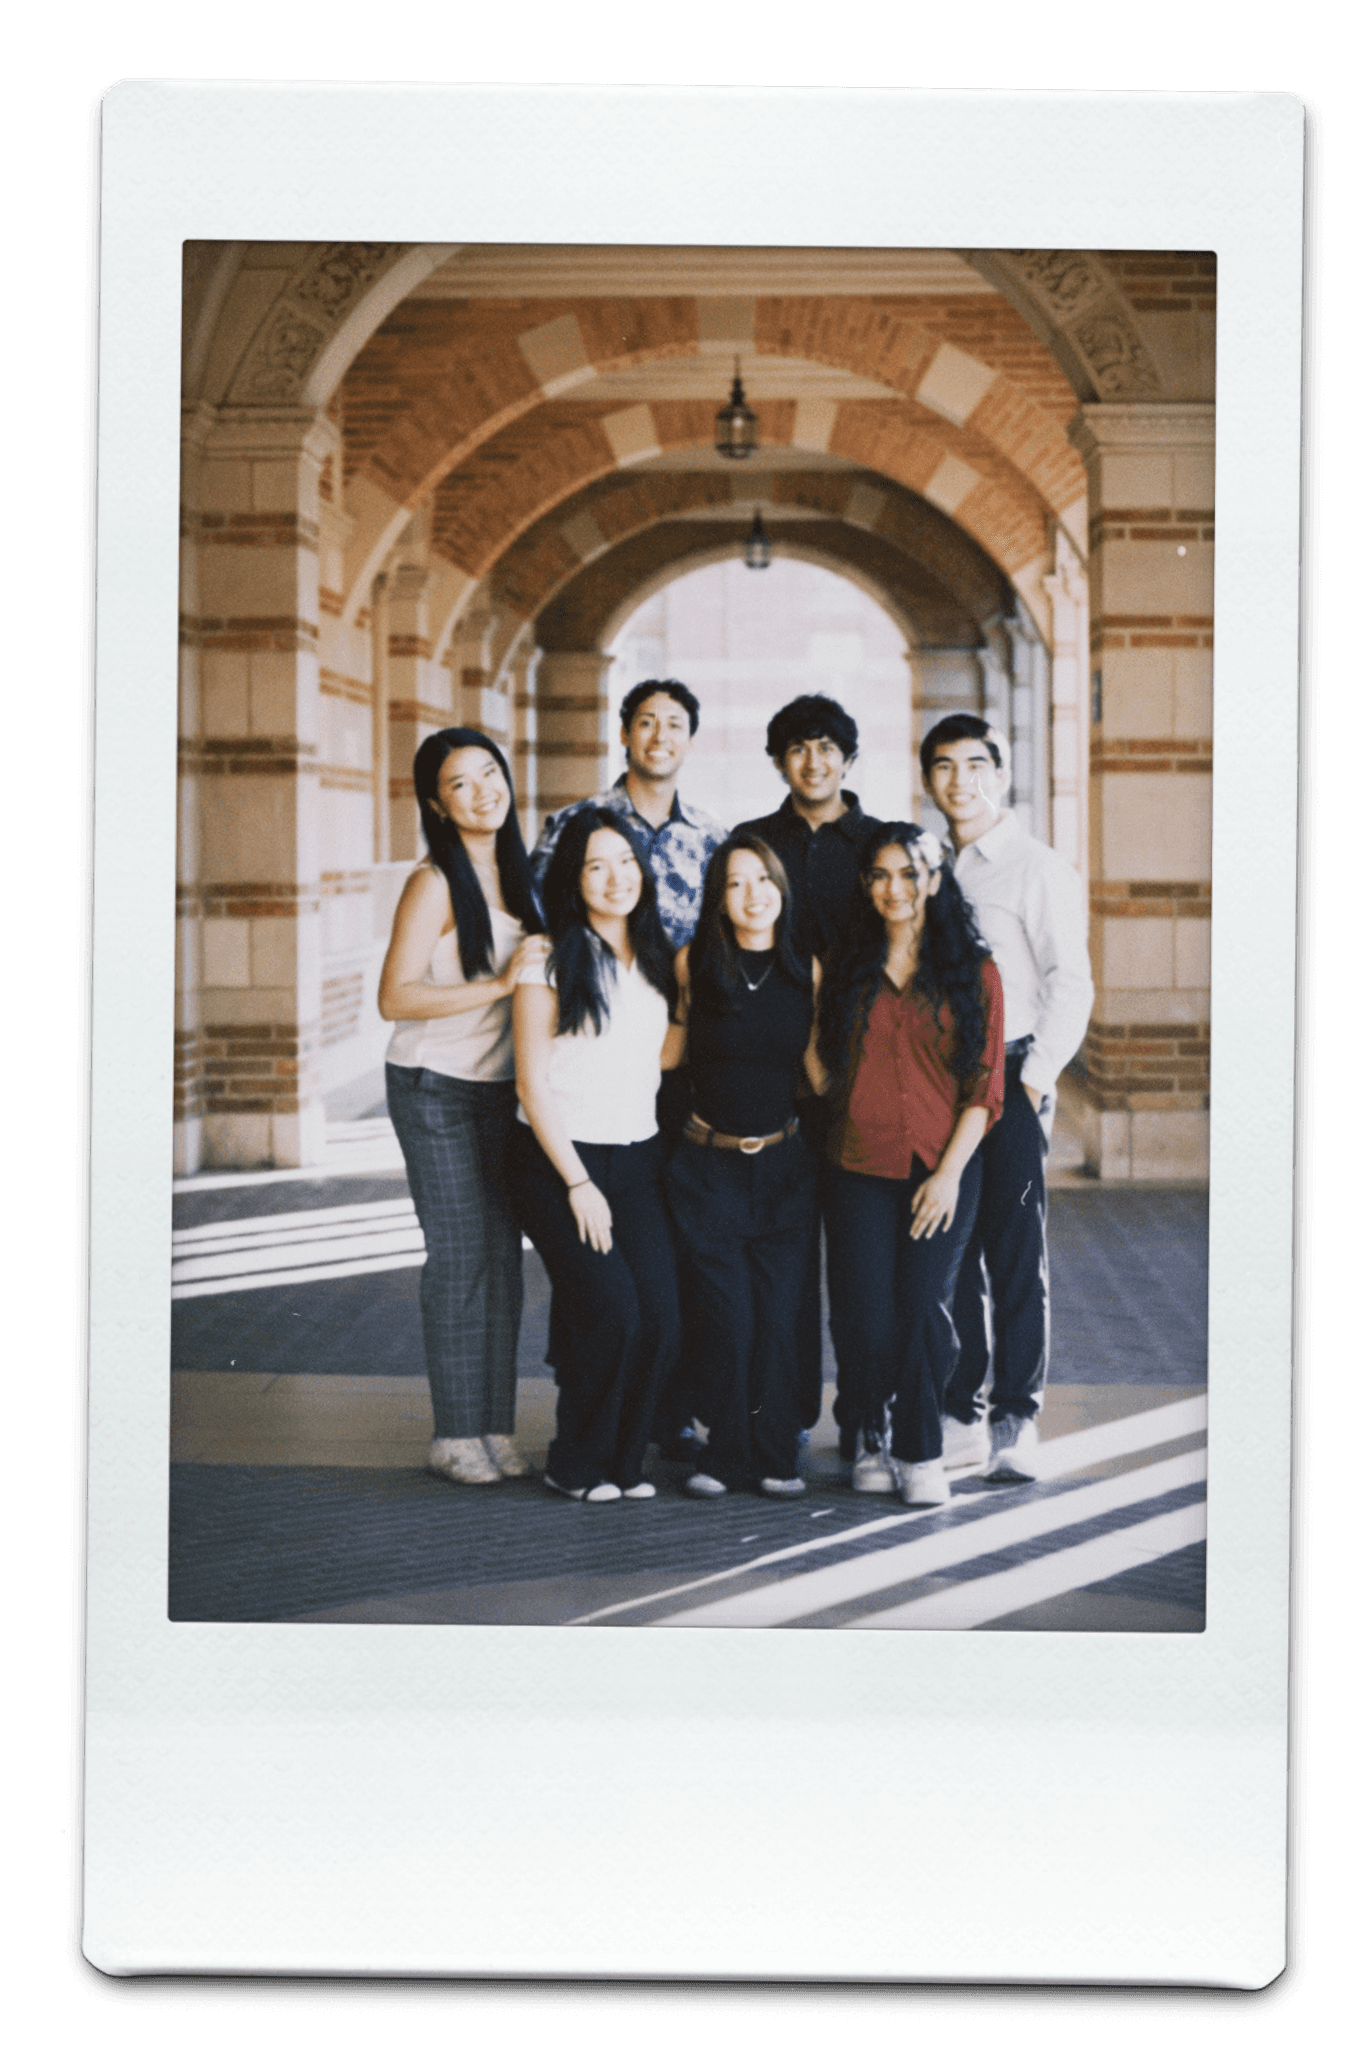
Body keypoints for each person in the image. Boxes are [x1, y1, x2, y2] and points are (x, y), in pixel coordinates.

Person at [532, 677, 725, 1464]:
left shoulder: (711, 836)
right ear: (624, 732)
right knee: (593, 1258)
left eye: (674, 724)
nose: (659, 735)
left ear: (689, 738)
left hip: (668, 1059)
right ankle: (585, 1402)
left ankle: (664, 1408)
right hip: (584, 1053)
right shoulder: (573, 823)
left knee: (664, 1248)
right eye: (645, 721)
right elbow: (543, 920)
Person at [920, 714, 1094, 1482]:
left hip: (1014, 1081)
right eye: (945, 766)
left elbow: (1071, 982)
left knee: (1014, 1254)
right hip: (944, 1085)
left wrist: (1029, 1082)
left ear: (1000, 772)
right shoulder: (932, 867)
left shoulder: (1035, 866)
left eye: (975, 764)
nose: (960, 779)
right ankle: (962, 1405)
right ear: (928, 777)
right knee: (950, 1253)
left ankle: (1016, 1417)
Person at [814, 824, 1005, 1507]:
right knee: (866, 1313)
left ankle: (918, 1448)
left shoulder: (974, 972)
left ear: (933, 879)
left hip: (941, 1165)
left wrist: (949, 1173)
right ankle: (870, 1427)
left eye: (907, 873)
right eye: (878, 876)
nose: (892, 889)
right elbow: (821, 1069)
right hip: (856, 1162)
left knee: (924, 1306)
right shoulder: (844, 966)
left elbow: (984, 1086)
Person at [378, 728, 550, 1486]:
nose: (483, 791)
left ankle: (492, 1426)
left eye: (490, 774)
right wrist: (498, 985)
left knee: (502, 1264)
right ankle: (453, 1433)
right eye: (460, 783)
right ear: (435, 805)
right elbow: (395, 996)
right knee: (460, 1260)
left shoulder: (522, 875)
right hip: (434, 1089)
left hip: (496, 1094)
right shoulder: (434, 882)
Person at [510, 808, 684, 1502]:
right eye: (596, 865)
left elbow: (661, 1054)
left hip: (635, 1158)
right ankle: (574, 1462)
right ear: (573, 878)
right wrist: (577, 1182)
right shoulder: (545, 955)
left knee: (662, 1320)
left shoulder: (654, 959)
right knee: (611, 1311)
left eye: (627, 863)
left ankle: (622, 1463)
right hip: (558, 1161)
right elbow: (531, 1079)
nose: (616, 878)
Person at [735, 691, 884, 1450]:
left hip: (863, 1086)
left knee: (860, 1272)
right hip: (779, 1091)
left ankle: (863, 1419)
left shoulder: (882, 845)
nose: (812, 760)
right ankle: (781, 1419)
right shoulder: (753, 843)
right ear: (778, 761)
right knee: (784, 1272)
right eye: (796, 747)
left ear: (848, 759)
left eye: (827, 747)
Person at [665, 833, 823, 1500]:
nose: (751, 894)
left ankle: (775, 1451)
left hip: (784, 1168)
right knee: (725, 1318)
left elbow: (816, 1073)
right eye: (734, 882)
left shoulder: (805, 969)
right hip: (709, 1167)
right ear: (718, 897)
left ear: (780, 890)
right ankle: (724, 1451)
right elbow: (666, 1058)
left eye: (762, 879)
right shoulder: (691, 963)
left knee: (779, 1316)